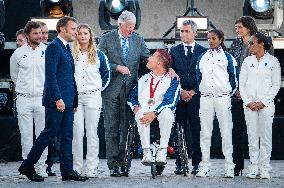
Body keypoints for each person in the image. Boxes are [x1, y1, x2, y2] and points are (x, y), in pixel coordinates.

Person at [18, 16, 87, 182]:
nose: (75, 32)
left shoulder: (66, 47)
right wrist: (58, 99)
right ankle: (27, 165)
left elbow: (69, 77)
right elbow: (50, 76)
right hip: (57, 101)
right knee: (49, 134)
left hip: (68, 101)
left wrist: (73, 101)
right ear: (62, 29)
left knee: (67, 136)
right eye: (72, 29)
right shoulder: (54, 47)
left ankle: (67, 171)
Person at [98, 10, 150, 177]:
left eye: (133, 27)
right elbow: (100, 60)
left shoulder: (138, 39)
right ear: (119, 24)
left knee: (127, 127)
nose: (131, 30)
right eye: (128, 27)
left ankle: (124, 163)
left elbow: (148, 60)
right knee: (111, 127)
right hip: (111, 90)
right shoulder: (106, 38)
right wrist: (116, 67)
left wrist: (166, 66)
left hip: (130, 92)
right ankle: (113, 164)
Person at [196, 29, 237, 178]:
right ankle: (204, 166)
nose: (210, 41)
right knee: (205, 133)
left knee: (226, 132)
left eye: (213, 38)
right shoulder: (202, 57)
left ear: (221, 39)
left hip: (222, 98)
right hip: (206, 98)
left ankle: (229, 167)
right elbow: (198, 77)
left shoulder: (228, 57)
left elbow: (234, 79)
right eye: (209, 39)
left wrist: (226, 94)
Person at [127, 49, 180, 166]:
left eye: (152, 56)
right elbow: (132, 97)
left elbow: (171, 101)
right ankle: (146, 151)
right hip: (145, 112)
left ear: (159, 63)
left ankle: (162, 150)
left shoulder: (173, 79)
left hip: (162, 112)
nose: (148, 58)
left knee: (166, 112)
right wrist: (135, 107)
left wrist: (155, 113)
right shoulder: (143, 78)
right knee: (140, 113)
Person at [239, 32, 281, 179]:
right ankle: (253, 168)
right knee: (252, 137)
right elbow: (242, 84)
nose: (249, 45)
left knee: (265, 138)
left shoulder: (273, 62)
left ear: (261, 44)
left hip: (266, 106)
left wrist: (263, 102)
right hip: (249, 106)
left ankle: (264, 168)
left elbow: (276, 85)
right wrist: (248, 101)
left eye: (252, 43)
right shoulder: (246, 62)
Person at [72, 24, 111, 178]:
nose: (82, 36)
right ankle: (77, 167)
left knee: (92, 133)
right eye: (80, 33)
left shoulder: (99, 55)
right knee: (77, 132)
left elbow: (106, 75)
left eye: (85, 33)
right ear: (76, 36)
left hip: (93, 96)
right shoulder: (71, 54)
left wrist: (97, 90)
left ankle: (92, 167)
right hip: (76, 98)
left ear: (90, 36)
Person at [10, 21, 48, 178]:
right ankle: (28, 166)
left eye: (40, 33)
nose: (39, 36)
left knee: (42, 135)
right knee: (26, 135)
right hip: (24, 99)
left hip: (42, 99)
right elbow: (14, 75)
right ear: (27, 35)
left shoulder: (47, 51)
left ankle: (41, 167)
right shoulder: (17, 54)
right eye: (36, 33)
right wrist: (23, 90)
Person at [169, 19, 207, 175]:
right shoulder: (173, 51)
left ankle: (197, 163)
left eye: (187, 31)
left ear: (195, 33)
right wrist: (181, 91)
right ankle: (179, 163)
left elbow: (206, 75)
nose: (183, 34)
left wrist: (192, 91)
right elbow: (170, 74)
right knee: (179, 130)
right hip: (179, 98)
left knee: (197, 130)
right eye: (181, 31)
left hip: (196, 97)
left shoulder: (203, 51)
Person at [229, 16, 257, 176]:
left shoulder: (260, 42)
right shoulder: (236, 44)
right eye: (236, 27)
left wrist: (247, 91)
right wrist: (236, 89)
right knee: (237, 131)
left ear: (248, 27)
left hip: (254, 94)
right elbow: (231, 67)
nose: (237, 30)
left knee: (254, 132)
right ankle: (237, 165)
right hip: (237, 94)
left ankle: (256, 165)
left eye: (239, 27)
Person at [37, 20, 58, 177]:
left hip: (51, 96)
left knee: (50, 132)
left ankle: (48, 164)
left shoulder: (52, 48)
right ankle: (35, 163)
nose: (43, 36)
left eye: (45, 33)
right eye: (40, 33)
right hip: (35, 95)